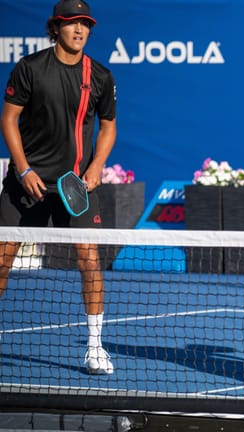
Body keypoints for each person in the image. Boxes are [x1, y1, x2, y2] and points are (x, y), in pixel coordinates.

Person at [0, 0, 117, 374]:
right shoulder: (31, 68)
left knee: (90, 262)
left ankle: (95, 347)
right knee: (1, 260)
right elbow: (9, 120)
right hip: (27, 183)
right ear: (56, 28)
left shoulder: (99, 76)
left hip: (75, 187)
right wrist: (23, 170)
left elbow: (108, 126)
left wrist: (96, 165)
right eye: (71, 24)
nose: (79, 30)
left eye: (85, 24)